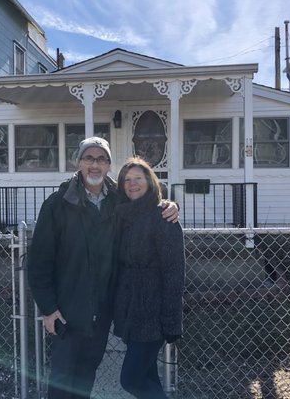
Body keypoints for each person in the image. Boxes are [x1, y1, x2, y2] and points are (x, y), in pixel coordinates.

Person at [27, 137, 178, 399]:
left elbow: (146, 198)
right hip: (67, 311)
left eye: (101, 159)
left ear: (109, 165)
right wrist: (49, 309)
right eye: (89, 158)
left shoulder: (117, 201)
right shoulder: (57, 204)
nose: (95, 165)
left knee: (86, 377)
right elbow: (39, 262)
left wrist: (170, 205)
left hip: (102, 311)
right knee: (63, 380)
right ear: (79, 163)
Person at [113, 157, 186, 399]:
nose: (132, 184)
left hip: (152, 314)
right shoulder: (121, 215)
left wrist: (172, 320)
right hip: (129, 311)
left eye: (138, 178)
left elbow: (175, 272)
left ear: (150, 182)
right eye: (127, 180)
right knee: (148, 378)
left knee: (130, 380)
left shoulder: (162, 216)